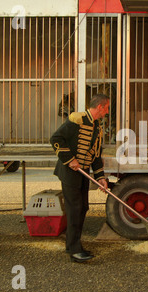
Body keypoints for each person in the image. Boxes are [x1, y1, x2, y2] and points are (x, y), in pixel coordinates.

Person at [50, 94, 109, 263]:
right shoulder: (78, 119)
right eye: (106, 108)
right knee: (74, 209)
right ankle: (74, 250)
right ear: (100, 107)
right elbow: (56, 139)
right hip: (70, 172)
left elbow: (96, 154)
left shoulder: (97, 126)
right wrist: (70, 159)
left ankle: (74, 245)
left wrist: (101, 178)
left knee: (83, 208)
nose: (106, 112)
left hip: (83, 171)